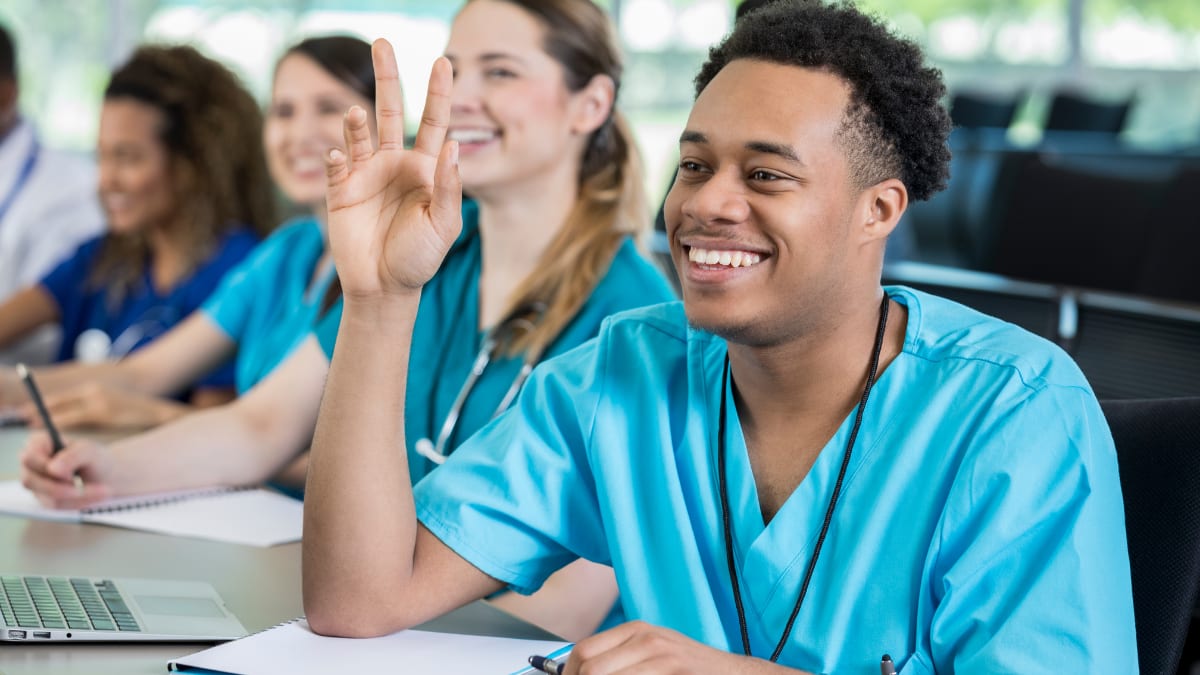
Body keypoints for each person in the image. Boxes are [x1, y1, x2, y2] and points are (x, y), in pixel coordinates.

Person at [300, 1, 1137, 673]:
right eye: (695, 164)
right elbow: (358, 600)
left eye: (766, 175)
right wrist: (380, 299)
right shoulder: (622, 372)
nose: (706, 204)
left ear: (877, 211)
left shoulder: (1016, 411)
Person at [20, 0, 675, 641]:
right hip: (374, 621)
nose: (462, 98)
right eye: (452, 70)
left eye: (499, 72)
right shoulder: (429, 251)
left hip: (482, 649)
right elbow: (262, 423)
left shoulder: (639, 319)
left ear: (591, 103)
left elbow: (567, 608)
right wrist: (107, 467)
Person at [0, 36, 372, 430]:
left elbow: (266, 438)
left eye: (329, 108)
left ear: (191, 164)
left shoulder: (387, 271)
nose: (301, 134)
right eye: (283, 111)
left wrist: (153, 415)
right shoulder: (287, 252)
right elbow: (142, 375)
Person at [0, 44, 273, 409]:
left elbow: (210, 429)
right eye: (102, 156)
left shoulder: (239, 270)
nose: (106, 180)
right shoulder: (102, 256)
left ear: (193, 164)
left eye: (127, 157)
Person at [0, 23, 103, 364]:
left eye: (126, 156)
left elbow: (47, 312)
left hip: (28, 384)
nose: (112, 176)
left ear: (6, 94)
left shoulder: (73, 189)